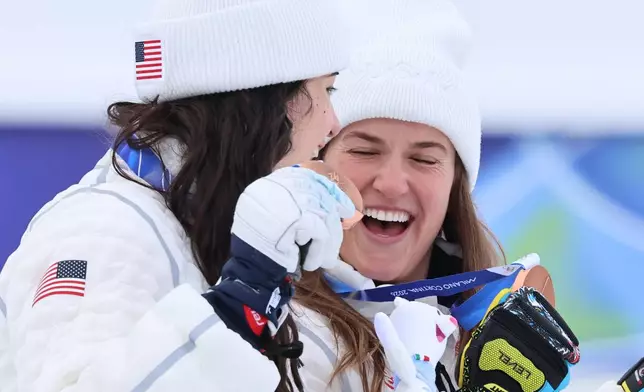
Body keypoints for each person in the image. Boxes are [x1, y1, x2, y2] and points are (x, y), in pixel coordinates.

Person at [0, 0, 357, 391]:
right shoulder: (102, 230)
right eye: (326, 89)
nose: (333, 122)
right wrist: (237, 310)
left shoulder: (210, 221)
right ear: (267, 100)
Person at [287, 0, 503, 390]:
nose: (391, 183)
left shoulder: (492, 346)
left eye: (423, 158)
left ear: (456, 184)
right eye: (364, 151)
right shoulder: (271, 330)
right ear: (316, 162)